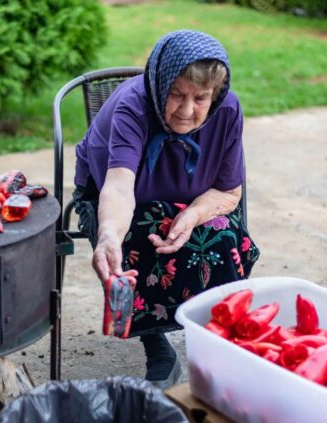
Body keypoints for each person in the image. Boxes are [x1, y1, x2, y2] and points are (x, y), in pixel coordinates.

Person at [73, 30, 259, 388]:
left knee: (221, 237)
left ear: (216, 95)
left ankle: (215, 343)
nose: (187, 111)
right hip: (121, 199)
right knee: (142, 234)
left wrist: (192, 215)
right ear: (160, 87)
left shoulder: (228, 110)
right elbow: (118, 187)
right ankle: (157, 346)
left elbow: (228, 191)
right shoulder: (133, 106)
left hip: (192, 200)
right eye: (177, 94)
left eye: (201, 98)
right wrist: (109, 234)